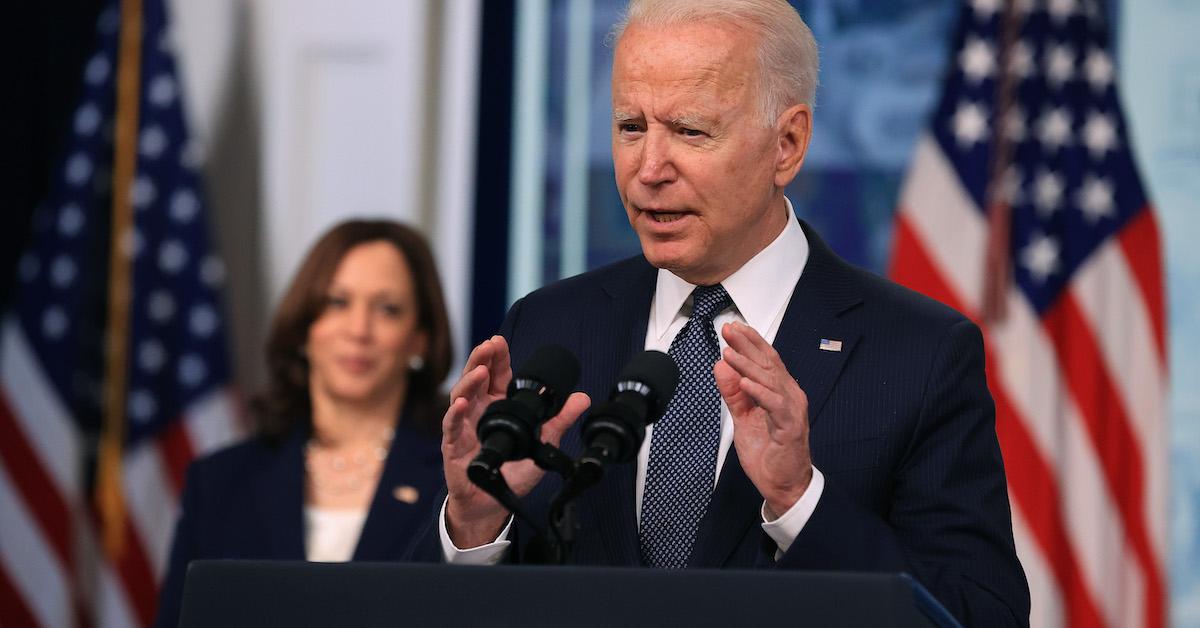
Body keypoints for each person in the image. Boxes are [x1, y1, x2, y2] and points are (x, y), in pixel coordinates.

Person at [414, 0, 1032, 626]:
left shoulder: (918, 353)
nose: (648, 170)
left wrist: (799, 501)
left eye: (690, 131)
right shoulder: (550, 327)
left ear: (787, 144)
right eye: (631, 126)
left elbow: (980, 616)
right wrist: (473, 521)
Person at [155, 220, 453, 627]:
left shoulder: (456, 483)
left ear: (420, 338)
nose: (358, 329)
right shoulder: (218, 483)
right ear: (303, 327)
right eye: (337, 302)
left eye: (387, 309)